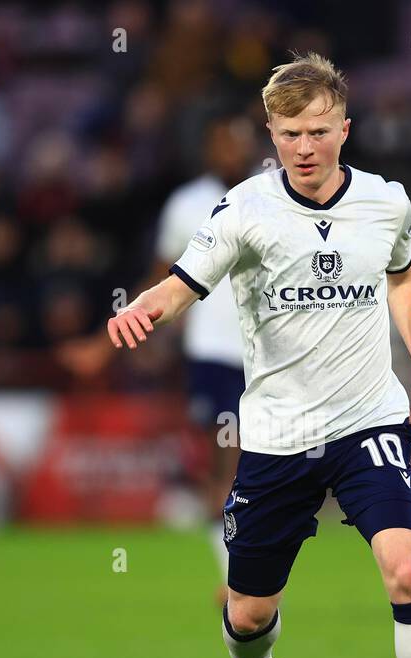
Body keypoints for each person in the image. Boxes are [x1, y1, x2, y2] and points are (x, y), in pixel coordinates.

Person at [106, 53, 411, 658]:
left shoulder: (387, 203)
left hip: (366, 421)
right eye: (288, 134)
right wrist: (145, 308)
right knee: (249, 614)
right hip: (277, 437)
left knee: (408, 569)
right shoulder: (245, 209)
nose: (304, 148)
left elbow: (404, 277)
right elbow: (186, 281)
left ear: (344, 128)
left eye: (317, 131)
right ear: (271, 134)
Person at [152, 114, 257, 605]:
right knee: (225, 462)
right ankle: (236, 575)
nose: (231, 151)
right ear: (209, 149)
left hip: (267, 355)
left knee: (252, 465)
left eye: (238, 141)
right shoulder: (187, 204)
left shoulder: (272, 196)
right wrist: (142, 325)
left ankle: (247, 572)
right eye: (222, 142)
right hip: (213, 354)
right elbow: (165, 276)